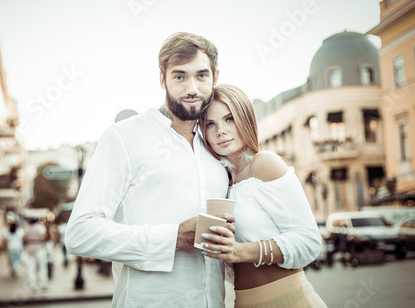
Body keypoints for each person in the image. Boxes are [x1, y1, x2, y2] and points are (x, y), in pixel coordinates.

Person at [65, 32, 235, 307]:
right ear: (162, 78)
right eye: (180, 76)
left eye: (201, 76)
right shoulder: (124, 137)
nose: (192, 88)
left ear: (215, 76)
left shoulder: (216, 148)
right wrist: (174, 237)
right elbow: (80, 234)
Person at [199, 84, 327, 307]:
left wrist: (241, 251)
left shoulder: (264, 163)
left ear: (245, 118)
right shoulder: (220, 183)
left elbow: (309, 242)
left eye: (229, 119)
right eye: (211, 124)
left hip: (289, 300)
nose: (220, 130)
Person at [23, 217, 48, 294]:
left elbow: (24, 238)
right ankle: (43, 284)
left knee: (31, 268)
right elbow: (43, 237)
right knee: (42, 267)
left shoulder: (27, 227)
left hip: (30, 248)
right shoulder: (40, 227)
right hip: (39, 248)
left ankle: (32, 285)